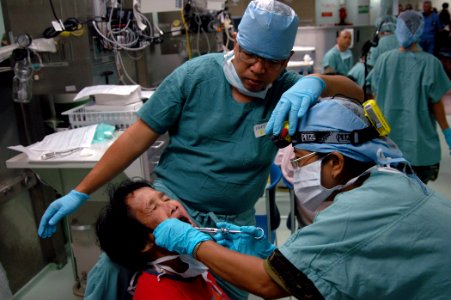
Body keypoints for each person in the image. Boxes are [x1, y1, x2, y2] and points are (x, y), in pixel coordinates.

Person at [38, 0, 363, 298]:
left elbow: (356, 94)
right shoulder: (196, 76)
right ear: (235, 42)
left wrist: (319, 81)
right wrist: (80, 191)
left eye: (271, 62)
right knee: (113, 270)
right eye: (249, 56)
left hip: (231, 225)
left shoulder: (286, 89)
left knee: (230, 289)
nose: (258, 69)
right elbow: (137, 137)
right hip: (171, 204)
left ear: (286, 61)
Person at [152, 97, 451, 299]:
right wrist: (277, 257)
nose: (294, 171)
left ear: (335, 163)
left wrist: (193, 241)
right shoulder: (388, 179)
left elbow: (266, 283)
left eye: (300, 160)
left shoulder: (357, 210)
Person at [89, 179, 229, 300]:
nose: (173, 205)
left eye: (166, 198)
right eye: (154, 207)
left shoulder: (194, 269)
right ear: (143, 243)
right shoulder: (156, 293)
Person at [371, 10, 451, 184]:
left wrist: (373, 133)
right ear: (421, 30)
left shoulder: (384, 60)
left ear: (398, 29)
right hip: (420, 148)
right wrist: (447, 132)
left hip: (388, 147)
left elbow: (376, 100)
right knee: (418, 196)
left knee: (392, 194)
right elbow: (436, 104)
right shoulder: (431, 63)